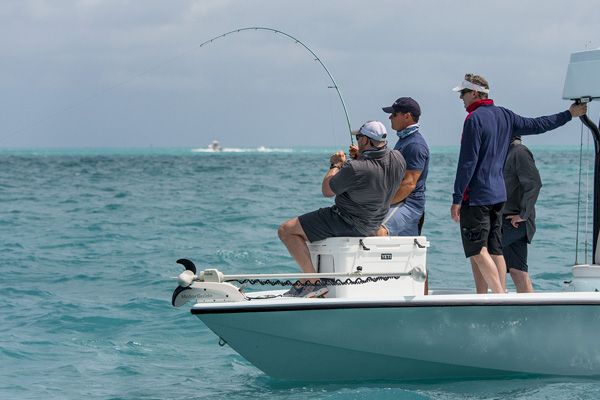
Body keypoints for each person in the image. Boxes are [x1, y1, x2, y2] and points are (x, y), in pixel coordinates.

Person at [450, 73, 587, 294]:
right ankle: (496, 296)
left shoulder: (474, 119)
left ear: (474, 93)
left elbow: (468, 163)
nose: (461, 99)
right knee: (495, 250)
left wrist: (457, 198)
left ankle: (499, 297)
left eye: (463, 94)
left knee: (477, 250)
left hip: (477, 197)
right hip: (498, 198)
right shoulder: (505, 115)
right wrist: (569, 115)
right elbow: (538, 124)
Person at [278, 121, 406, 297]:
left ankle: (312, 282)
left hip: (345, 220)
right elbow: (375, 173)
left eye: (359, 137)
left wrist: (336, 165)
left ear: (366, 141)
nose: (357, 139)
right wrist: (360, 157)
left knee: (286, 230)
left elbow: (327, 190)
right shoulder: (398, 158)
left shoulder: (355, 168)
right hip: (374, 223)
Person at [377, 97, 429, 236]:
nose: (389, 117)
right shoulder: (404, 140)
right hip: (400, 202)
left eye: (394, 114)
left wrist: (382, 204)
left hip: (408, 203)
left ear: (407, 116)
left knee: (376, 231)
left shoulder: (414, 145)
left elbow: (408, 184)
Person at [502, 136, 540, 293]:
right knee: (518, 271)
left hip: (515, 221)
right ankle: (531, 311)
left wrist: (523, 214)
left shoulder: (519, 152)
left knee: (484, 254)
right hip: (507, 220)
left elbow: (534, 183)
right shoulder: (506, 153)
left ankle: (495, 300)